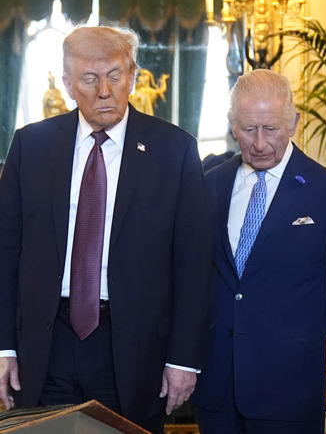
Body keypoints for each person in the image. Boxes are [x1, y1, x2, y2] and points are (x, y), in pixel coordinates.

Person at [0, 26, 211, 433]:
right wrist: (3, 346)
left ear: (133, 75)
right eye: (89, 79)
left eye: (115, 76)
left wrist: (183, 359)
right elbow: (5, 255)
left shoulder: (175, 150)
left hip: (133, 347)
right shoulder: (31, 146)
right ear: (67, 84)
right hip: (45, 345)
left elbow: (193, 264)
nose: (104, 91)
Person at [191, 69, 326, 434]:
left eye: (270, 129)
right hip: (217, 386)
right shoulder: (208, 187)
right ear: (232, 125)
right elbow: (193, 277)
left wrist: (295, 335)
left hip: (290, 386)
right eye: (248, 129)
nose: (259, 143)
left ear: (293, 124)